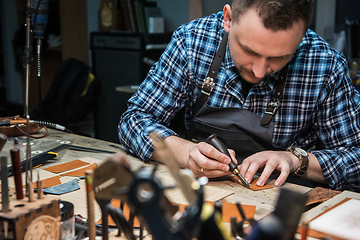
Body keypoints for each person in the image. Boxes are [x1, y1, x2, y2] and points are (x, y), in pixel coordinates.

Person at [118, 0, 360, 192]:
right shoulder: (192, 42)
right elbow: (134, 120)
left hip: (280, 206)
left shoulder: (325, 65)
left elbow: (355, 158)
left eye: (279, 57)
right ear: (228, 18)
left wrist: (296, 160)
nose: (259, 71)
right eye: (249, 51)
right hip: (200, 193)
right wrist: (184, 153)